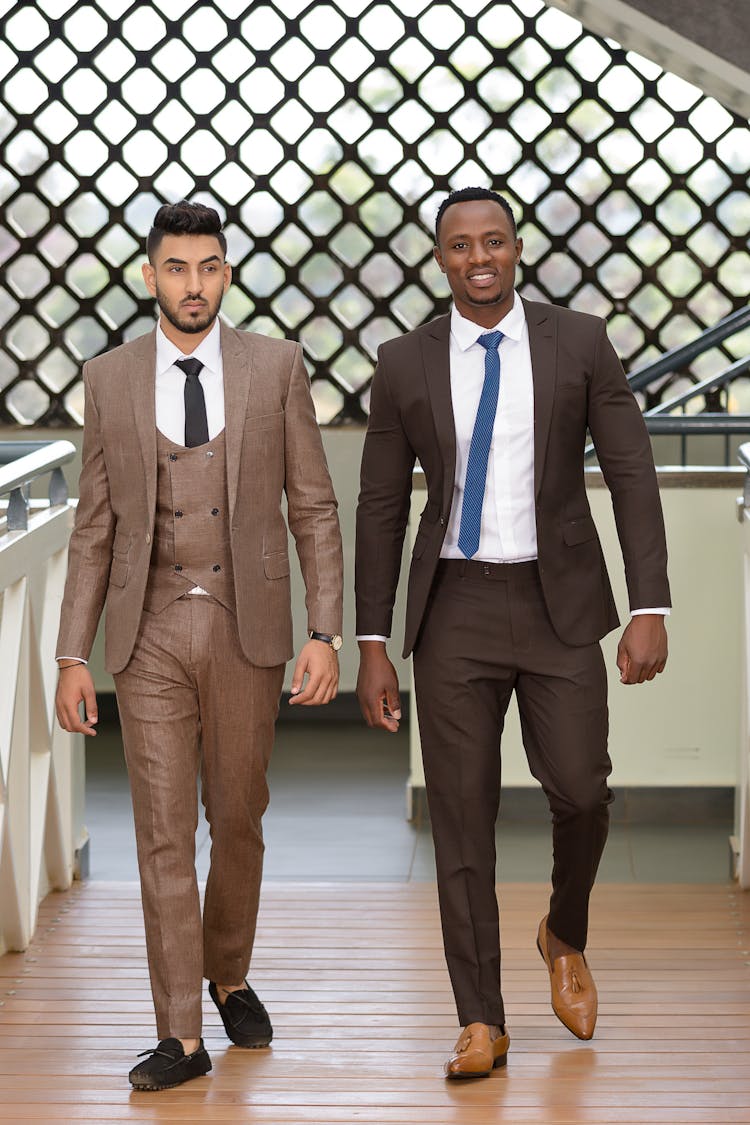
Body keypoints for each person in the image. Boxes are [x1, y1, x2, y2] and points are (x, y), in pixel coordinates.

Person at [355, 186, 669, 1078]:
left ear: (518, 247)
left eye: (494, 240)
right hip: (452, 607)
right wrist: (370, 640)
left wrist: (652, 604)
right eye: (461, 245)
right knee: (461, 817)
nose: (479, 257)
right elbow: (380, 506)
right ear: (442, 258)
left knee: (582, 791)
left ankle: (563, 928)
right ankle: (481, 1020)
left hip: (557, 600)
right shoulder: (402, 362)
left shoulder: (580, 341)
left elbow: (632, 470)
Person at [55, 200, 344, 1090]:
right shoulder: (108, 378)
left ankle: (228, 971)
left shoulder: (277, 367)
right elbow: (95, 527)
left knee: (240, 817)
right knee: (162, 832)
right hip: (145, 636)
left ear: (226, 271)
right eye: (177, 268)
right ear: (150, 275)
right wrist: (72, 653)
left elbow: (315, 508)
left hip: (246, 627)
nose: (194, 284)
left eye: (209, 267)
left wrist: (326, 629)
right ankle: (181, 1033)